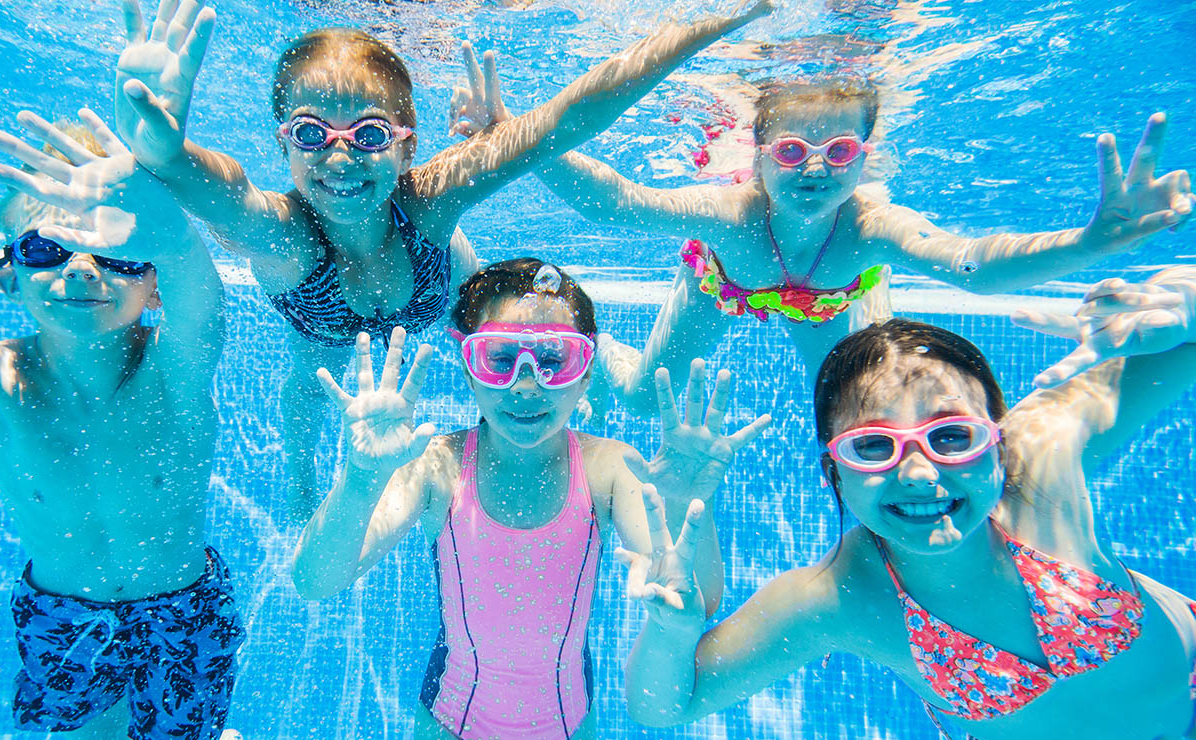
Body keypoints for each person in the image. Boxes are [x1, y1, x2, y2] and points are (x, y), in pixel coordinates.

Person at [110, 0, 773, 516]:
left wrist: (705, 25)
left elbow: (563, 120)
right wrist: (165, 151)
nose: (339, 156)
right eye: (311, 133)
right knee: (307, 385)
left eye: (369, 133)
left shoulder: (428, 202)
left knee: (512, 340)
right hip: (324, 327)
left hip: (443, 286)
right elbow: (224, 192)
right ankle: (300, 475)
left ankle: (588, 374)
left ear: (406, 145)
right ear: (283, 144)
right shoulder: (285, 236)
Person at [615, 273, 1196, 739]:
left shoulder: (1044, 456)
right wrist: (670, 630)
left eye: (952, 436)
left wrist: (1181, 302)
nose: (919, 474)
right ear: (835, 472)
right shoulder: (839, 597)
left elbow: (1184, 329)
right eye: (873, 446)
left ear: (998, 441)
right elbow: (663, 707)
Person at [449, 59, 1196, 411]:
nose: (814, 169)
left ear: (864, 157)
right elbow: (619, 204)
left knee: (863, 404)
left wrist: (1089, 244)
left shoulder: (870, 225)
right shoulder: (733, 216)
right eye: (790, 150)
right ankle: (610, 352)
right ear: (758, 154)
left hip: (833, 301)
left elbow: (968, 263)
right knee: (645, 400)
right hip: (723, 287)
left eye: (838, 151)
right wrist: (513, 136)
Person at [292, 258, 771, 739]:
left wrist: (686, 502)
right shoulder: (437, 466)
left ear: (585, 375)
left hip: (569, 726)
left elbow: (694, 593)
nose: (526, 385)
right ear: (469, 371)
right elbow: (315, 580)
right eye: (500, 359)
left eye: (553, 360)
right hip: (447, 723)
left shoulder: (609, 469)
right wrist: (361, 479)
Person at [0, 109, 243, 739]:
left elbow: (202, 300)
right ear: (9, 275)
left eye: (117, 253)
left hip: (183, 609)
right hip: (62, 616)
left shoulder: (175, 367)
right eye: (46, 248)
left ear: (155, 286)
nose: (80, 267)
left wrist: (170, 231)